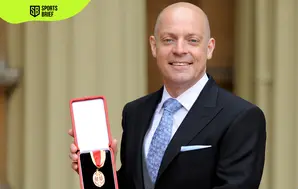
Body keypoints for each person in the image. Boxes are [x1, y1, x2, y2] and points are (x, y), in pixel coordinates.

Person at [68, 2, 266, 189]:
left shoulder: (242, 117)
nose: (179, 50)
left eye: (192, 40)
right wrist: (101, 172)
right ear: (154, 46)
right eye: (169, 40)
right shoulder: (135, 112)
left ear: (209, 48)